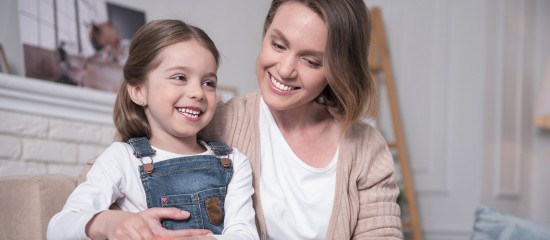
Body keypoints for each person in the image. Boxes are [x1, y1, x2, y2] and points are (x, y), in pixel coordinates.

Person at [78, 0, 403, 239]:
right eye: (278, 44)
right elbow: (102, 179)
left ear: (337, 70)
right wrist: (115, 223)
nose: (286, 69)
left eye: (311, 61)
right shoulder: (217, 121)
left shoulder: (365, 147)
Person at [47, 19, 258, 240]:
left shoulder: (233, 162)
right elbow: (57, 229)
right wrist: (107, 222)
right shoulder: (122, 159)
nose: (198, 92)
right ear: (139, 91)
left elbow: (244, 234)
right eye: (180, 77)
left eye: (209, 82)